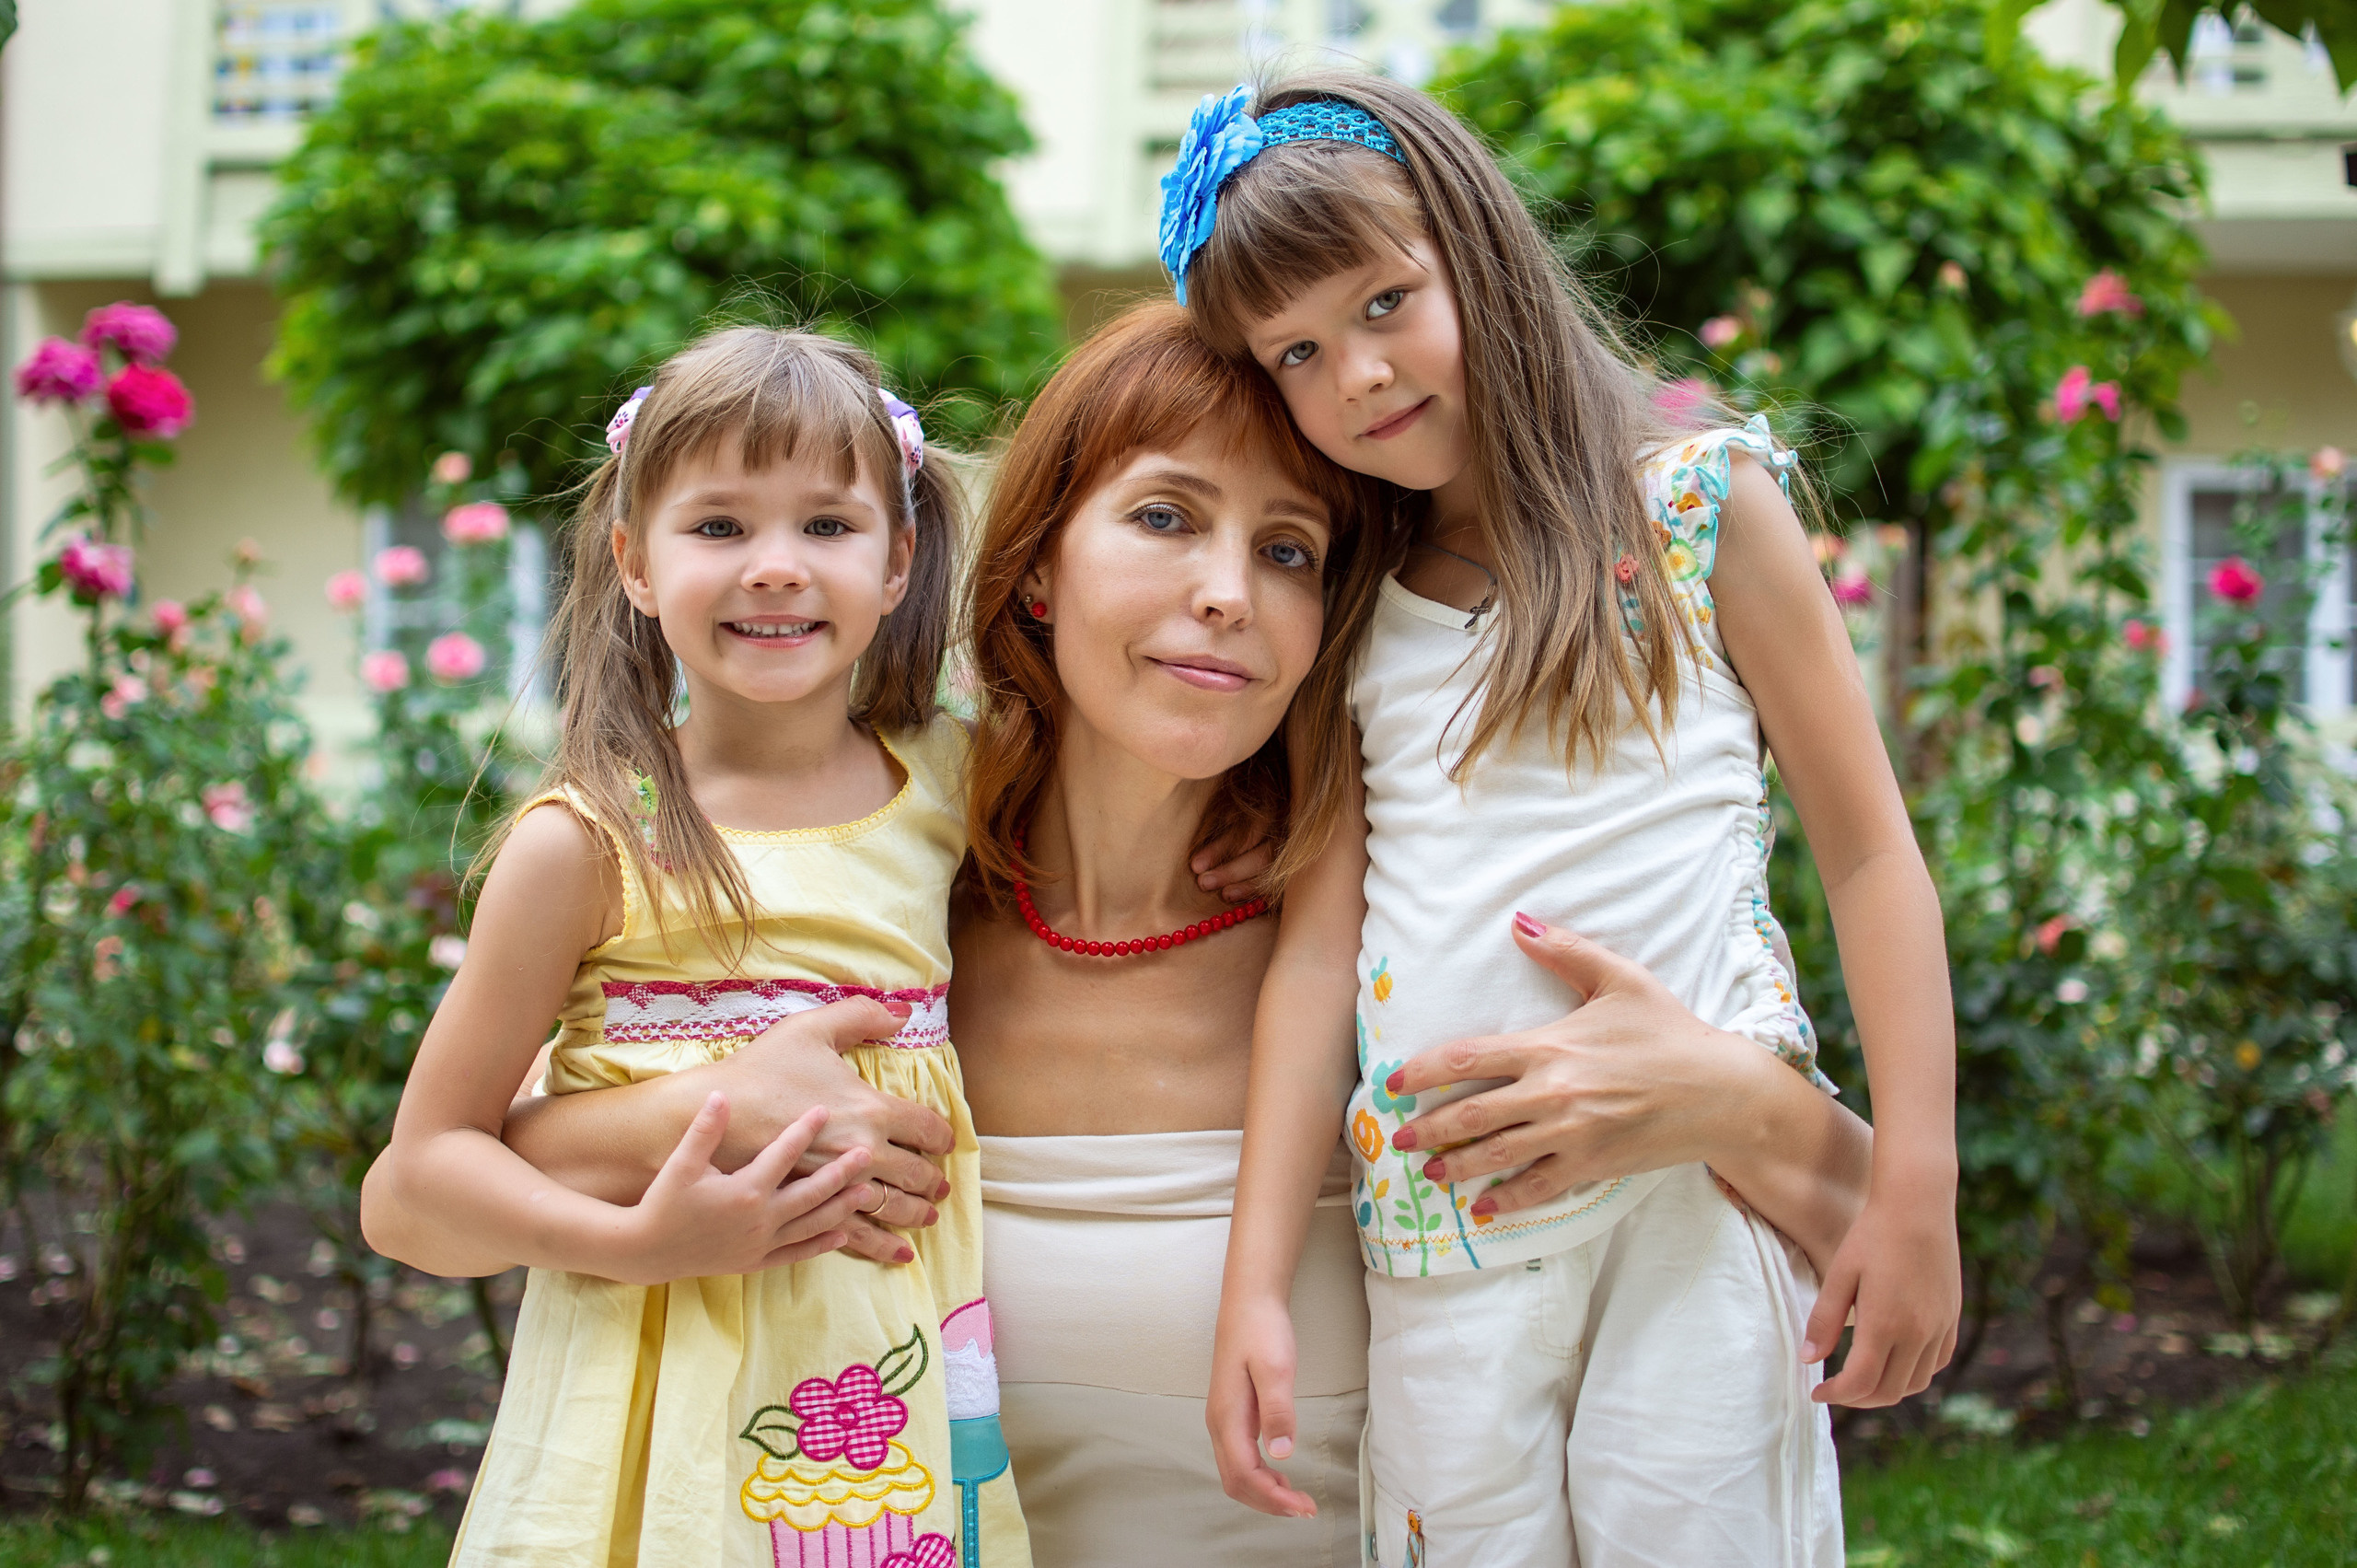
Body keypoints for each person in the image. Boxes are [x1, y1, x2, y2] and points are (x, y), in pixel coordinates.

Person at [366, 306, 1880, 1568]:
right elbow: (493, 1147)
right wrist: (717, 1106)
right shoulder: (896, 906)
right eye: (1163, 518)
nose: (1226, 594)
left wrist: (1741, 1100)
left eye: (1291, 552)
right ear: (1035, 565)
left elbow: (1871, 1238)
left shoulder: (1382, 947)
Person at [1175, 76, 1961, 1566]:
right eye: (1296, 351)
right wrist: (1255, 1282)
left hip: (1693, 1200)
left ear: (1477, 246)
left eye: (1387, 301)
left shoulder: (1698, 509)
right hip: (1445, 1230)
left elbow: (1868, 851)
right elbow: (1314, 956)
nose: (1354, 372)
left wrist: (1915, 1182)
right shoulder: (1351, 614)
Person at [360, 327, 1031, 1568]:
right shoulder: (587, 844)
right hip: (644, 1427)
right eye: (719, 527)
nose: (776, 567)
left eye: (827, 527)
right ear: (634, 560)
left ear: (897, 562)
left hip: (888, 1425)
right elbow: (415, 1188)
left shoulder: (959, 791)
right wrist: (637, 1243)